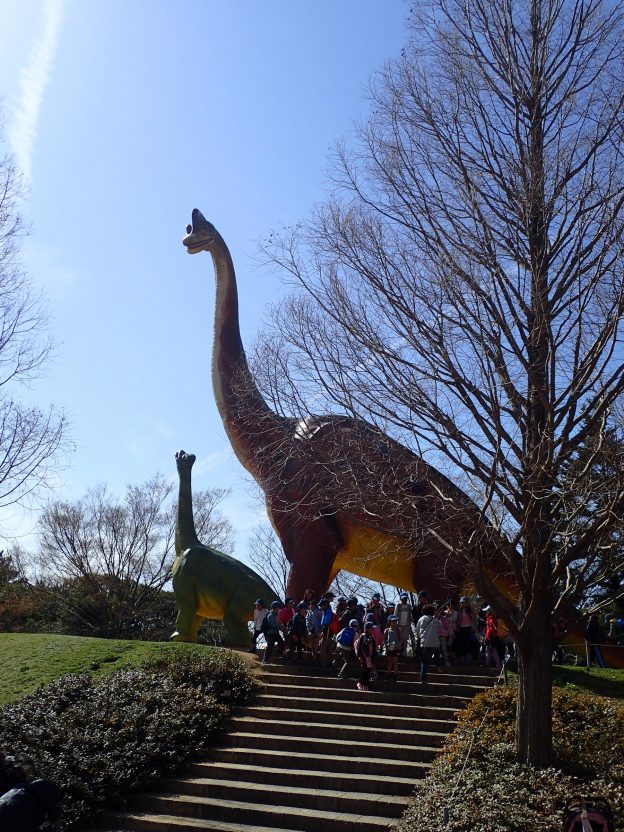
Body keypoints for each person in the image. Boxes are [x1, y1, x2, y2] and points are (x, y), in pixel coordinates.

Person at [415, 604, 442, 683]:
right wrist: (437, 616)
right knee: (437, 653)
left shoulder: (421, 619)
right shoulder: (435, 620)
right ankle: (438, 666)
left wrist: (420, 637)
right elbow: (441, 625)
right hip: (434, 641)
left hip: (425, 642)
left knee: (424, 661)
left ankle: (423, 678)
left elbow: (417, 630)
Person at [454, 596, 479, 661]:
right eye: (461, 602)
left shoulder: (470, 611)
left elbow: (474, 620)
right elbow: (457, 620)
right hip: (461, 628)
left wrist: (475, 628)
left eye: (464, 602)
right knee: (461, 642)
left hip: (468, 628)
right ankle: (463, 655)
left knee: (468, 642)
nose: (462, 604)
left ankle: (469, 654)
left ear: (467, 603)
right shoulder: (459, 611)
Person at [355, 621, 377, 690]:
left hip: (369, 657)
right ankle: (360, 683)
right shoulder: (363, 635)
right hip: (364, 656)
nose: (372, 630)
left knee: (368, 670)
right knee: (365, 670)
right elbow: (360, 647)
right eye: (371, 628)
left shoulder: (371, 637)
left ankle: (365, 684)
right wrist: (360, 657)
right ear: (367, 629)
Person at [384, 615, 401, 687]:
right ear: (390, 622)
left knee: (395, 662)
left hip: (396, 648)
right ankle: (389, 674)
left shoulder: (398, 630)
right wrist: (386, 645)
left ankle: (395, 675)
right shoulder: (387, 630)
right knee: (389, 662)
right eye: (393, 621)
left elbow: (401, 639)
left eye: (395, 621)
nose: (394, 623)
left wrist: (398, 645)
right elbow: (384, 639)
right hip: (389, 648)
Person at [318, 598, 335, 666]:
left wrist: (323, 633)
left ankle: (324, 663)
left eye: (321, 605)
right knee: (327, 649)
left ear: (325, 605)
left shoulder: (328, 612)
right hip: (327, 632)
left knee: (323, 648)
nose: (320, 607)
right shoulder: (325, 612)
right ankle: (329, 663)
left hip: (327, 633)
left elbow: (326, 623)